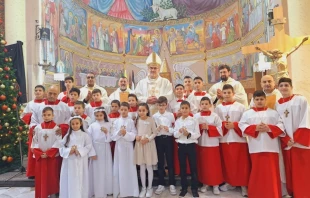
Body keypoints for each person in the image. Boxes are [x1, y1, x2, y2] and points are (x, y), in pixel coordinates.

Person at [239, 90, 285, 198]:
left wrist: (269, 128)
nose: (259, 101)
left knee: (272, 173)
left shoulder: (273, 113)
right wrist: (255, 128)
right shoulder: (247, 113)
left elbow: (281, 126)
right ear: (253, 100)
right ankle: (256, 194)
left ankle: (273, 194)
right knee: (257, 172)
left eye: (261, 99)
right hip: (255, 147)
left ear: (265, 100)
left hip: (271, 147)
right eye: (257, 99)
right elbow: (242, 126)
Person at [276, 77, 310, 197]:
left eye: (286, 85)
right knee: (289, 171)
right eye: (281, 85)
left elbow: (306, 119)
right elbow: (278, 123)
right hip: (287, 143)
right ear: (278, 88)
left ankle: (304, 194)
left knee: (302, 171)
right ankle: (293, 192)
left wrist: (296, 138)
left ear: (291, 87)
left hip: (300, 142)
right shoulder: (277, 104)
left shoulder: (300, 99)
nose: (284, 87)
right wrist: (285, 139)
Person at [214, 84, 250, 197]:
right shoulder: (218, 108)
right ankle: (230, 182)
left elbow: (246, 122)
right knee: (228, 163)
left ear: (233, 94)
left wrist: (234, 125)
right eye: (225, 93)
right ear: (222, 94)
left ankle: (243, 185)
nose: (227, 95)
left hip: (238, 138)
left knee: (241, 163)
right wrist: (225, 125)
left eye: (229, 92)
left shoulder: (241, 106)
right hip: (225, 139)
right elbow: (217, 123)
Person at [194, 97, 223, 195]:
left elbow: (220, 129)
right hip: (201, 143)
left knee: (214, 165)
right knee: (204, 165)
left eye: (207, 104)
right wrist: (200, 127)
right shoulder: (196, 116)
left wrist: (209, 128)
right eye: (202, 104)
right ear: (200, 105)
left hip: (213, 143)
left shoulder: (215, 116)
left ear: (210, 105)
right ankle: (205, 184)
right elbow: (192, 128)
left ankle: (216, 185)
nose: (204, 106)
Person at [31, 107, 62, 198]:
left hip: (51, 157)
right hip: (41, 157)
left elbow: (58, 142)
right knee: (41, 177)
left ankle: (52, 193)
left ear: (53, 115)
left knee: (52, 176)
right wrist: (40, 153)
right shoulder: (38, 128)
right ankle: (42, 194)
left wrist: (48, 153)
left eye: (49, 115)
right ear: (42, 116)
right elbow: (34, 142)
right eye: (44, 115)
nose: (46, 117)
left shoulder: (56, 128)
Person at [59, 116, 93, 198]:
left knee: (81, 178)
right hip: (69, 161)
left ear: (81, 123)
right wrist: (69, 151)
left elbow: (89, 146)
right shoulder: (67, 136)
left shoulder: (85, 135)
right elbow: (61, 147)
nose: (75, 125)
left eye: (77, 123)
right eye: (73, 124)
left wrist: (79, 151)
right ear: (70, 125)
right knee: (70, 179)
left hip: (81, 160)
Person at [111, 102, 139, 198]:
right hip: (119, 147)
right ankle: (120, 190)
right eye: (121, 109)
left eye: (125, 110)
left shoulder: (131, 121)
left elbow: (134, 134)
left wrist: (126, 134)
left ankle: (131, 190)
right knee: (119, 168)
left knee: (130, 167)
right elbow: (113, 136)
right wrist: (120, 133)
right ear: (119, 110)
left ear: (128, 110)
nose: (123, 111)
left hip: (128, 147)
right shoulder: (116, 122)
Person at [174, 101, 201, 198]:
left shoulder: (194, 120)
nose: (184, 110)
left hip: (191, 146)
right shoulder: (178, 121)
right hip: (181, 146)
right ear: (180, 110)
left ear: (189, 109)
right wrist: (180, 132)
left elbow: (198, 134)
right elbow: (175, 134)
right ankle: (184, 187)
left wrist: (189, 134)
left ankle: (194, 188)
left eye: (186, 108)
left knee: (193, 167)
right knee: (182, 167)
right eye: (183, 108)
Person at [153, 96, 176, 195]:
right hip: (158, 139)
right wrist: (157, 129)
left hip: (168, 139)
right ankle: (161, 183)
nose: (161, 107)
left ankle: (172, 183)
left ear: (166, 105)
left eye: (163, 105)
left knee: (170, 161)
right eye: (159, 105)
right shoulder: (154, 116)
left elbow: (174, 128)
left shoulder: (170, 115)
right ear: (157, 105)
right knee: (160, 161)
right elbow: (152, 130)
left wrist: (168, 129)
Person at [21, 85, 45, 178]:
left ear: (43, 92)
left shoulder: (46, 103)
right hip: (34, 129)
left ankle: (43, 171)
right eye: (36, 90)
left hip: (45, 129)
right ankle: (32, 172)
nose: (38, 92)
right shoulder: (30, 104)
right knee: (33, 149)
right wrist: (31, 116)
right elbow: (23, 116)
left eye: (40, 90)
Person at [88, 107, 113, 198]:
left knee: (106, 168)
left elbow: (111, 138)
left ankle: (107, 189)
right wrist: (92, 152)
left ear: (104, 115)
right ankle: (96, 189)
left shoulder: (109, 124)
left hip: (105, 148)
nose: (99, 117)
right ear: (94, 116)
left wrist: (107, 133)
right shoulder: (92, 126)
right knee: (96, 169)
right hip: (95, 148)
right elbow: (89, 140)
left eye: (101, 115)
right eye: (97, 116)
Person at [134, 103, 158, 198]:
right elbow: (135, 131)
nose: (141, 112)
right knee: (142, 167)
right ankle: (143, 187)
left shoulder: (151, 120)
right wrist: (137, 137)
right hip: (140, 144)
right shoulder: (137, 120)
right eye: (140, 110)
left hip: (148, 144)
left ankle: (150, 187)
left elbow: (155, 132)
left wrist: (148, 139)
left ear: (147, 111)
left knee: (149, 166)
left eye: (143, 110)